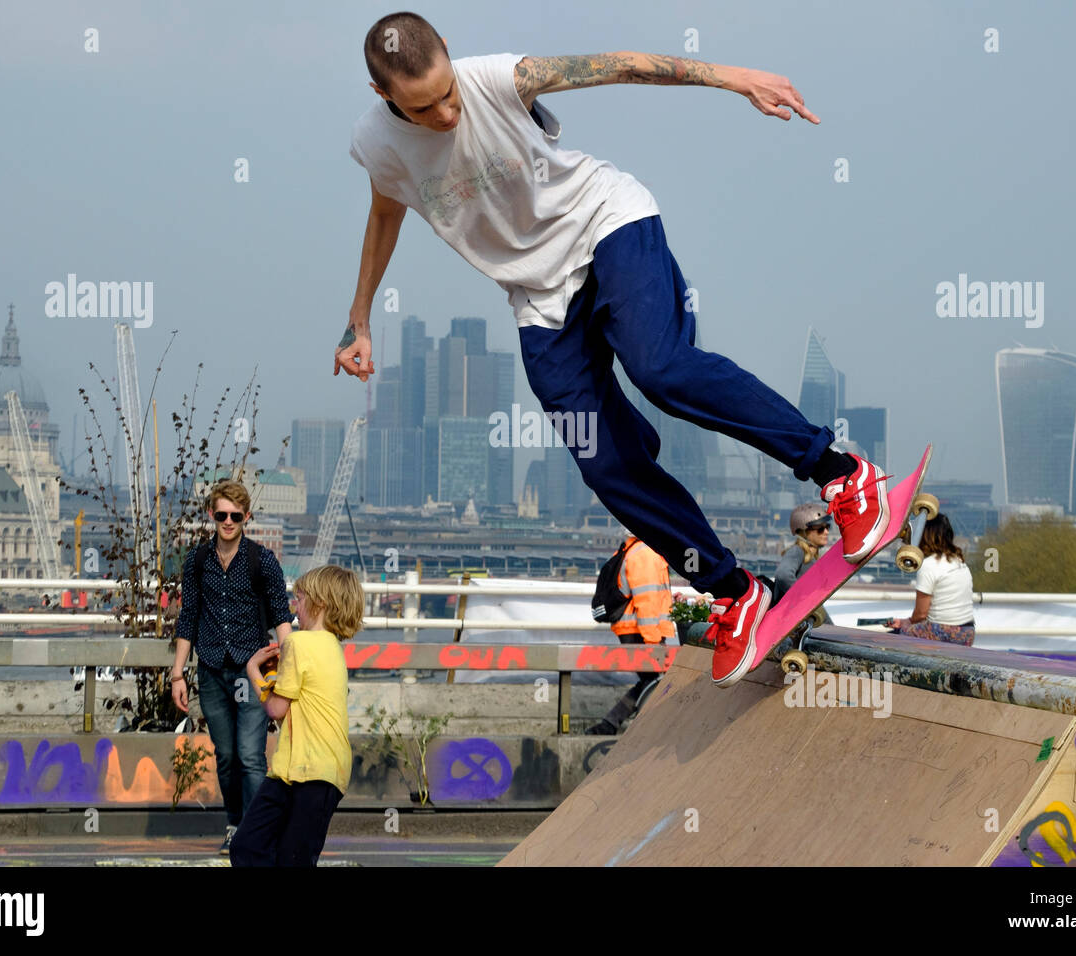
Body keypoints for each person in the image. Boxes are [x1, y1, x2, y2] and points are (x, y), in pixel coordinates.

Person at [340, 13, 891, 690]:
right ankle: (734, 591)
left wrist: (737, 79)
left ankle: (842, 473)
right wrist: (359, 318)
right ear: (382, 91)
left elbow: (622, 64)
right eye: (424, 108)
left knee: (658, 367)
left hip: (608, 223)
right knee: (604, 464)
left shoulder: (498, 79)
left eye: (448, 93)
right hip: (539, 297)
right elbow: (384, 214)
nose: (447, 114)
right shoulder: (376, 142)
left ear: (451, 57)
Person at [171, 479, 294, 854]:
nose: (228, 521)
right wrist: (178, 673)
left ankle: (259, 832)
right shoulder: (198, 560)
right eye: (221, 514)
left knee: (250, 756)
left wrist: (291, 669)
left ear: (246, 517)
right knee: (225, 756)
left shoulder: (262, 561)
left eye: (235, 516)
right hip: (209, 669)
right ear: (212, 515)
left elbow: (281, 616)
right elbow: (188, 617)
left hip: (251, 671)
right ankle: (235, 823)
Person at [230, 565, 362, 867]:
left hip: (308, 770)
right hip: (314, 770)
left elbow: (276, 709)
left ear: (320, 603)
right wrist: (278, 673)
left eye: (299, 598)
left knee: (247, 846)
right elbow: (290, 713)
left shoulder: (298, 643)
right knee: (292, 858)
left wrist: (254, 670)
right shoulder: (332, 648)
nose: (294, 606)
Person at [586, 535, 675, 735]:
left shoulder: (637, 549)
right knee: (654, 680)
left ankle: (610, 724)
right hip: (641, 631)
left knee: (650, 681)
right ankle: (615, 725)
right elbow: (647, 602)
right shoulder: (646, 554)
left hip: (634, 628)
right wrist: (653, 643)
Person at [887, 514, 975, 646]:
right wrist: (907, 622)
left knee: (888, 640)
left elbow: (921, 614)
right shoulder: (959, 562)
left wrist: (905, 623)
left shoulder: (929, 565)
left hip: (941, 632)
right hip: (967, 633)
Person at [774, 503, 833, 604]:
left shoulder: (812, 558)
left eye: (827, 527)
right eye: (820, 529)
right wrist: (802, 598)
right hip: (789, 617)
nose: (826, 532)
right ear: (804, 532)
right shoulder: (797, 551)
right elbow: (782, 575)